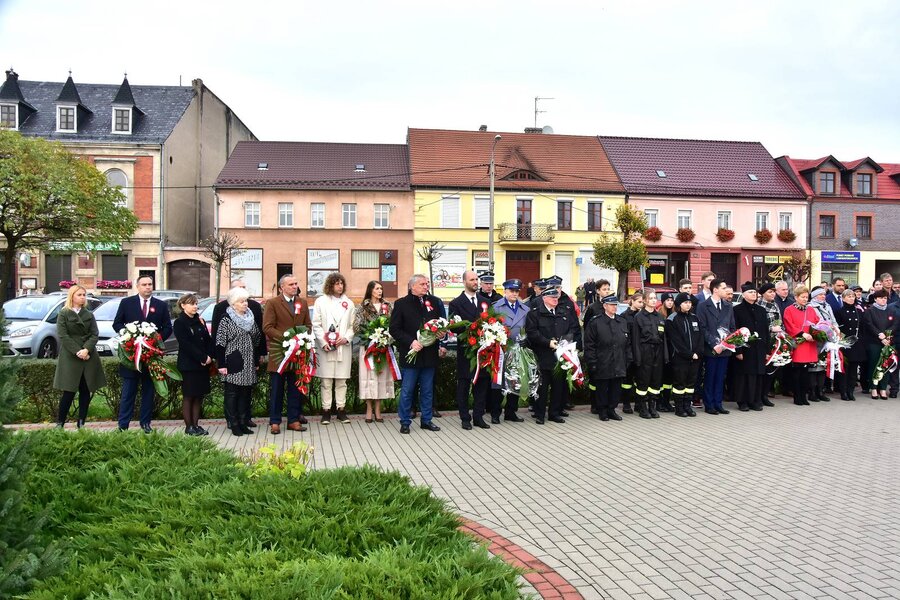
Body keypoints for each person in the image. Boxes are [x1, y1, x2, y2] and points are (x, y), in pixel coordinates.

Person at [113, 275, 173, 432]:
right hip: (131, 356)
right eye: (144, 284)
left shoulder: (160, 305)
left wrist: (155, 341)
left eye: (150, 284)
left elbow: (168, 327)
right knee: (128, 393)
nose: (148, 287)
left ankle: (145, 423)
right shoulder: (127, 303)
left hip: (151, 357)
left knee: (148, 392)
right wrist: (128, 336)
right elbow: (117, 323)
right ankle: (123, 425)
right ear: (137, 286)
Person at [389, 274, 445, 434]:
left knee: (427, 390)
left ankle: (426, 420)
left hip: (429, 354)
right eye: (422, 284)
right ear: (412, 286)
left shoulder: (434, 302)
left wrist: (441, 334)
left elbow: (441, 323)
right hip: (411, 354)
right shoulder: (401, 304)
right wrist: (411, 341)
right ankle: (405, 421)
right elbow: (394, 329)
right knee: (407, 390)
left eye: (427, 284)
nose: (426, 286)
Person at [212, 281, 265, 429]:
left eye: (246, 301)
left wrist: (256, 359)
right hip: (233, 360)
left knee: (245, 392)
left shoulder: (250, 317)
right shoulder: (226, 319)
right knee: (232, 393)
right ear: (233, 304)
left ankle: (243, 421)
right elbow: (220, 343)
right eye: (242, 302)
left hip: (248, 360)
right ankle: (233, 422)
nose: (245, 304)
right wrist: (221, 364)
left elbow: (257, 338)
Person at [263, 274, 312, 435]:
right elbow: (268, 327)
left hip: (298, 353)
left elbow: (308, 325)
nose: (294, 286)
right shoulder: (273, 303)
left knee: (295, 388)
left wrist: (301, 339)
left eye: (296, 283)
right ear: (281, 287)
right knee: (277, 389)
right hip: (280, 353)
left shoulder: (302, 302)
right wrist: (287, 338)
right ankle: (275, 421)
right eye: (291, 284)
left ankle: (293, 420)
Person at [53, 285, 106, 429]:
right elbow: (63, 335)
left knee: (85, 389)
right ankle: (60, 423)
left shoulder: (89, 314)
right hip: (71, 356)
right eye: (79, 295)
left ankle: (81, 422)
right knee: (68, 391)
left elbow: (94, 334)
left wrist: (86, 349)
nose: (82, 297)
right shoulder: (64, 313)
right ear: (72, 296)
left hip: (88, 355)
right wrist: (78, 351)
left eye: (84, 295)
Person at [526, 286, 580, 424]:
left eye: (556, 297)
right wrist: (547, 343)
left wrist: (567, 342)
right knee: (542, 388)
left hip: (560, 356)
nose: (555, 299)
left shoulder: (564, 312)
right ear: (544, 298)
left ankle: (554, 413)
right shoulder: (535, 314)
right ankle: (539, 414)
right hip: (542, 355)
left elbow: (572, 328)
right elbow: (532, 333)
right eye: (552, 297)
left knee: (558, 387)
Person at [449, 270, 492, 429]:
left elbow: (491, 321)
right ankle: (465, 418)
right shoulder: (456, 303)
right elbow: (454, 327)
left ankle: (478, 417)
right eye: (472, 279)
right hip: (466, 350)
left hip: (483, 350)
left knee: (482, 384)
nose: (475, 282)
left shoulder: (485, 301)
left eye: (476, 279)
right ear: (464, 282)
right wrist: (471, 329)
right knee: (464, 384)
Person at [313, 272, 355, 425]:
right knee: (326, 381)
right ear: (330, 285)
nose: (340, 286)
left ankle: (341, 410)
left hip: (342, 346)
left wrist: (346, 338)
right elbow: (316, 324)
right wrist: (323, 342)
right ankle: (326, 411)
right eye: (337, 283)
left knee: (341, 381)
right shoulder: (320, 302)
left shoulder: (349, 303)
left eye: (341, 283)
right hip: (326, 347)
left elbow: (353, 325)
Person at [584, 294, 632, 422]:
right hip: (602, 361)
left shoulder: (622, 321)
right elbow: (589, 344)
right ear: (605, 306)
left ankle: (612, 409)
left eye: (616, 305)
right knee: (602, 388)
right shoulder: (596, 322)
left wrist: (628, 359)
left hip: (619, 361)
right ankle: (602, 410)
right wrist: (592, 362)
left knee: (616, 388)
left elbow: (627, 343)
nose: (614, 307)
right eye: (611, 305)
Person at [353, 280, 393, 423]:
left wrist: (385, 336)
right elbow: (356, 327)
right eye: (377, 288)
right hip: (368, 347)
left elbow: (393, 324)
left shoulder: (388, 306)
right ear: (370, 290)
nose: (380, 291)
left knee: (380, 377)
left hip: (383, 347)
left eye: (381, 288)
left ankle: (378, 408)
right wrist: (369, 334)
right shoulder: (362, 307)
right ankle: (369, 409)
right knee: (368, 377)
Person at [174, 294, 213, 435]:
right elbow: (186, 344)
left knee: (198, 396)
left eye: (196, 303)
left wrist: (209, 356)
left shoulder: (200, 320)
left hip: (202, 365)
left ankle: (196, 425)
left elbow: (208, 340)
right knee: (189, 395)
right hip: (189, 365)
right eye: (192, 304)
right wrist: (202, 357)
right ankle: (189, 426)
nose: (195, 306)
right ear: (183, 305)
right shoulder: (180, 322)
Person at [491, 278, 529, 423]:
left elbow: (529, 329)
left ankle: (511, 412)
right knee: (498, 383)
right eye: (511, 291)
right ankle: (495, 413)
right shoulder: (496, 308)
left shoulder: (525, 309)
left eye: (517, 291)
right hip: (501, 350)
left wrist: (526, 339)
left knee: (515, 381)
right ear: (505, 291)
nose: (514, 294)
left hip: (518, 350)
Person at [696, 278, 734, 415]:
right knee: (710, 376)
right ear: (715, 290)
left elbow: (732, 326)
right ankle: (709, 404)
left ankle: (718, 403)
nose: (726, 290)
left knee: (720, 377)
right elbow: (702, 328)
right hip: (711, 348)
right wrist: (714, 344)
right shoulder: (703, 306)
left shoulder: (728, 306)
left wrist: (727, 342)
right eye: (723, 288)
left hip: (724, 348)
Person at [731, 284, 770, 412]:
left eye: (755, 292)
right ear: (743, 294)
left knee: (758, 375)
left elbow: (766, 331)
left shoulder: (761, 310)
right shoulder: (737, 310)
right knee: (744, 376)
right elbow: (735, 331)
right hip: (745, 348)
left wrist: (767, 350)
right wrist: (738, 350)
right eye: (750, 292)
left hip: (759, 348)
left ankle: (755, 400)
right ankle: (743, 401)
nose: (754, 294)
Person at [632, 289, 667, 418]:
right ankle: (642, 408)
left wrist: (665, 356)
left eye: (654, 298)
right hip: (645, 351)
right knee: (643, 381)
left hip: (658, 351)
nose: (653, 300)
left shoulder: (660, 317)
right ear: (645, 300)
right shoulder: (639, 317)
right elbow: (635, 339)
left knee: (655, 381)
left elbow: (664, 338)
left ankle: (652, 407)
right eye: (651, 298)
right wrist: (638, 357)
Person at [665, 293, 701, 417]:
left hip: (695, 357)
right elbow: (676, 341)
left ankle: (687, 406)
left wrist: (698, 352)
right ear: (679, 304)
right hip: (680, 358)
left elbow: (700, 336)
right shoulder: (672, 319)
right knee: (679, 383)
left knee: (690, 384)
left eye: (690, 303)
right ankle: (679, 407)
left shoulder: (694, 318)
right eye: (685, 303)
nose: (688, 305)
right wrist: (689, 354)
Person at [783, 286, 820, 406]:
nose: (805, 299)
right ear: (796, 297)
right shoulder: (789, 309)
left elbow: (817, 323)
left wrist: (816, 334)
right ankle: (797, 396)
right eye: (802, 297)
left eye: (806, 297)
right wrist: (802, 334)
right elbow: (789, 325)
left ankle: (804, 396)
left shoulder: (810, 309)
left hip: (809, 343)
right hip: (798, 342)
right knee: (797, 371)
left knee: (806, 371)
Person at [861, 289, 898, 399]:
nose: (883, 300)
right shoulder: (870, 310)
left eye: (885, 298)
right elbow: (869, 324)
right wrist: (879, 334)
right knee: (874, 365)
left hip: (888, 341)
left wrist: (887, 335)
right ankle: (873, 388)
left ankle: (883, 388)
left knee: (885, 365)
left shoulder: (891, 310)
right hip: (874, 342)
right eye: (881, 298)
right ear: (876, 299)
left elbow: (895, 324)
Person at [834, 289, 864, 401]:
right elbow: (838, 328)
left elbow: (862, 327)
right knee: (844, 369)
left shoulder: (858, 311)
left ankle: (850, 391)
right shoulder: (839, 311)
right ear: (843, 298)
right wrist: (841, 340)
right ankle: (843, 391)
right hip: (845, 343)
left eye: (853, 296)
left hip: (856, 343)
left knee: (853, 369)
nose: (851, 298)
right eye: (849, 296)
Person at [808, 286, 836, 401]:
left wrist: (836, 329)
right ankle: (812, 392)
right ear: (814, 296)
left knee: (823, 365)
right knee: (814, 367)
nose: (823, 296)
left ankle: (821, 391)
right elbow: (811, 323)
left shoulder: (827, 306)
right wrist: (820, 331)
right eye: (820, 295)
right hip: (817, 339)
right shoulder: (810, 307)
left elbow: (833, 320)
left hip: (827, 340)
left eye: (824, 294)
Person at [757, 282, 781, 406]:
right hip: (764, 340)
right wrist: (771, 329)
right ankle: (759, 395)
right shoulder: (759, 305)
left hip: (775, 340)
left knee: (772, 370)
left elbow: (779, 321)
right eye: (770, 292)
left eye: (774, 292)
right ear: (763, 294)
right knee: (763, 370)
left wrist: (781, 332)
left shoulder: (775, 305)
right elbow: (759, 325)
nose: (773, 294)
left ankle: (765, 394)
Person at [620, 292, 645, 414]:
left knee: (640, 379)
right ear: (632, 301)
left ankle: (639, 404)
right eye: (639, 302)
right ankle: (626, 404)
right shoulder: (624, 316)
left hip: (641, 351)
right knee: (627, 380)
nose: (641, 304)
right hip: (629, 351)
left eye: (643, 302)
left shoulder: (643, 315)